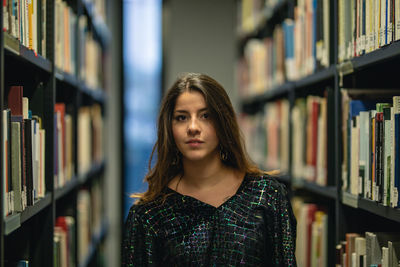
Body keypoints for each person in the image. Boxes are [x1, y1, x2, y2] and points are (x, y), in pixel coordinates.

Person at [122, 73, 297, 266]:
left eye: (206, 116)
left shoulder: (267, 196)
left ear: (223, 122)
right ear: (169, 129)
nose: (193, 127)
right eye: (181, 117)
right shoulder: (148, 216)